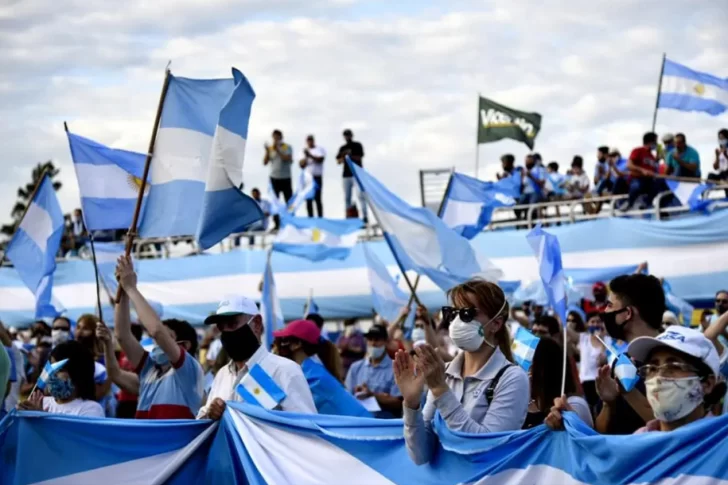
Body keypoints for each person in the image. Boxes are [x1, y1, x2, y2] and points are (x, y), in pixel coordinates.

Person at [395, 279, 529, 465]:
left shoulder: (512, 378)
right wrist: (411, 403)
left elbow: (485, 448)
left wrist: (441, 391)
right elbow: (420, 456)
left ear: (496, 324)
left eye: (467, 313)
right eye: (452, 313)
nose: (457, 321)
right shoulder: (447, 372)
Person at [198, 295, 316, 419]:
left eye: (233, 324)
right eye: (221, 327)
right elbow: (200, 424)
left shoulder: (285, 371)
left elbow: (306, 427)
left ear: (256, 324)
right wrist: (210, 415)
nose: (227, 332)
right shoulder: (222, 375)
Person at [115, 256, 204, 419]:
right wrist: (123, 291)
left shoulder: (190, 370)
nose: (157, 342)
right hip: (144, 444)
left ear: (185, 345)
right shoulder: (149, 370)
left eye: (168, 337)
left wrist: (132, 289)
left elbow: (156, 330)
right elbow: (122, 335)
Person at [595, 273, 665, 434]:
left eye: (610, 305)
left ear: (628, 313)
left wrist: (629, 393)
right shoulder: (621, 361)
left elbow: (672, 428)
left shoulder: (673, 360)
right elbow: (601, 432)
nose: (605, 311)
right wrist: (608, 404)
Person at [628, 326, 724, 432]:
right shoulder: (639, 440)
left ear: (707, 383)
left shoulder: (721, 442)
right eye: (652, 368)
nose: (659, 377)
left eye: (674, 366)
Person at [274, 319, 370, 417]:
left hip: (359, 429)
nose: (277, 347)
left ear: (297, 344)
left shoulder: (311, 379)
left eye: (283, 340)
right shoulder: (311, 371)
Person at [18, 341, 104, 417]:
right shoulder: (41, 403)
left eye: (60, 370)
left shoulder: (91, 409)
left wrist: (41, 419)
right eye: (50, 369)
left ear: (78, 374)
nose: (52, 374)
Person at [523, 337, 593, 429]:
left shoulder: (575, 404)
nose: (524, 371)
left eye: (529, 366)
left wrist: (568, 421)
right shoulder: (523, 404)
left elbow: (584, 438)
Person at [345, 324, 402, 418]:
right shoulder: (356, 368)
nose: (373, 343)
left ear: (385, 342)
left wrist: (373, 395)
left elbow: (398, 402)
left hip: (384, 423)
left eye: (377, 340)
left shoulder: (396, 368)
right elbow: (347, 397)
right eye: (370, 339)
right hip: (359, 421)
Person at [74, 314, 111, 403]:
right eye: (78, 327)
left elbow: (99, 393)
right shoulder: (71, 355)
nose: (80, 332)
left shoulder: (104, 360)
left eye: (85, 328)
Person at [578, 313, 610, 412]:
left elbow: (605, 359)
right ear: (587, 324)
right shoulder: (583, 338)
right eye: (592, 321)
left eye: (598, 321)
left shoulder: (608, 340)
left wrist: (602, 340)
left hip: (600, 380)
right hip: (585, 381)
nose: (595, 324)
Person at [264, 130, 293, 229]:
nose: (275, 139)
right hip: (274, 178)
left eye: (277, 137)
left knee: (289, 201)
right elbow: (265, 162)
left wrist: (278, 150)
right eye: (274, 137)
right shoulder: (271, 148)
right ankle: (277, 224)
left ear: (281, 137)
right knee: (274, 202)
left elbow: (287, 158)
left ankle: (290, 222)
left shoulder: (286, 147)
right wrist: (267, 152)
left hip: (285, 177)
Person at [336, 129, 367, 223]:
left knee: (360, 196)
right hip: (346, 175)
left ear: (351, 135)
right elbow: (338, 161)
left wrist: (350, 155)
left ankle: (365, 217)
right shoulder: (342, 148)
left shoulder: (357, 145)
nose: (347, 137)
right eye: (345, 135)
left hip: (357, 174)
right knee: (347, 198)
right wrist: (344, 155)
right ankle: (348, 217)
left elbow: (359, 157)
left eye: (348, 135)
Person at [624, 132, 659, 210]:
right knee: (637, 186)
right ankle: (629, 203)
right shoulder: (638, 151)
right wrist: (642, 170)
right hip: (637, 179)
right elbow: (629, 165)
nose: (656, 144)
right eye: (655, 141)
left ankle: (646, 204)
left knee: (658, 186)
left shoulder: (652, 157)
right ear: (650, 142)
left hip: (649, 181)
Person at [299, 135, 326, 218]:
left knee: (318, 198)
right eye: (308, 140)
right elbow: (301, 165)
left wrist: (310, 155)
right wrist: (306, 157)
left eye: (311, 140)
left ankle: (320, 218)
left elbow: (320, 160)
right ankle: (310, 218)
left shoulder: (319, 149)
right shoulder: (303, 152)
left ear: (313, 141)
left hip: (317, 176)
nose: (310, 142)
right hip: (308, 178)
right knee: (308, 199)